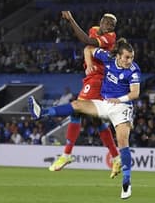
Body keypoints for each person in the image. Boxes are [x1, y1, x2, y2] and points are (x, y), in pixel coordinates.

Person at [28, 38, 140, 199]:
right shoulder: (107, 58)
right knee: (77, 105)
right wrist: (89, 63)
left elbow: (135, 93)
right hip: (104, 103)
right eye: (127, 57)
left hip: (122, 107)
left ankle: (126, 183)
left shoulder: (134, 70)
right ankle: (41, 113)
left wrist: (120, 99)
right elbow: (88, 48)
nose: (130, 60)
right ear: (118, 56)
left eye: (131, 57)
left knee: (123, 140)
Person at [49, 11, 121, 179]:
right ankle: (116, 158)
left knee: (76, 111)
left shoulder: (110, 37)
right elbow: (88, 47)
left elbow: (87, 42)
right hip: (94, 78)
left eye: (112, 25)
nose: (108, 26)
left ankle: (66, 154)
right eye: (106, 22)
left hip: (98, 79)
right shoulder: (94, 29)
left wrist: (71, 20)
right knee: (97, 121)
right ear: (101, 22)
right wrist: (88, 62)